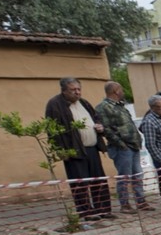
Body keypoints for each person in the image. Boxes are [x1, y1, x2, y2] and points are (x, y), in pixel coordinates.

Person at [44, 77, 115, 222]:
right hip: (73, 151)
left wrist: (100, 126)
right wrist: (61, 151)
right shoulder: (55, 104)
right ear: (64, 91)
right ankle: (87, 212)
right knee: (80, 183)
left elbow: (96, 118)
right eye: (73, 90)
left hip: (92, 149)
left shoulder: (84, 103)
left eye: (79, 89)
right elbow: (52, 130)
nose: (77, 93)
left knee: (98, 179)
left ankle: (103, 209)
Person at [96, 81, 152, 213]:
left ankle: (141, 201)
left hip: (133, 145)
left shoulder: (121, 106)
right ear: (115, 90)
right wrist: (121, 145)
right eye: (121, 89)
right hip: (122, 148)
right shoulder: (103, 107)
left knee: (137, 175)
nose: (123, 92)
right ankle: (125, 204)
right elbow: (107, 129)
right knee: (124, 177)